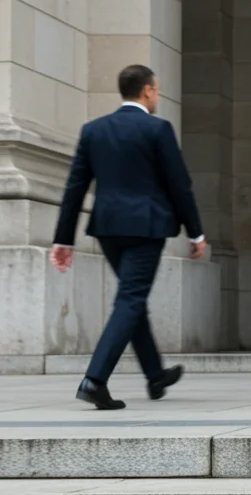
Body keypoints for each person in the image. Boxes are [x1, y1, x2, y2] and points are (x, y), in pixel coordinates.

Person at [50, 64, 203, 410]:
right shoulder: (158, 129)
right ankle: (95, 379)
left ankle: (155, 375)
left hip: (107, 227)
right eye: (157, 90)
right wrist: (196, 232)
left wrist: (63, 240)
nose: (158, 96)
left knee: (131, 298)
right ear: (147, 90)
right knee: (131, 299)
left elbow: (75, 187)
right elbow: (180, 185)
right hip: (146, 228)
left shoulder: (94, 130)